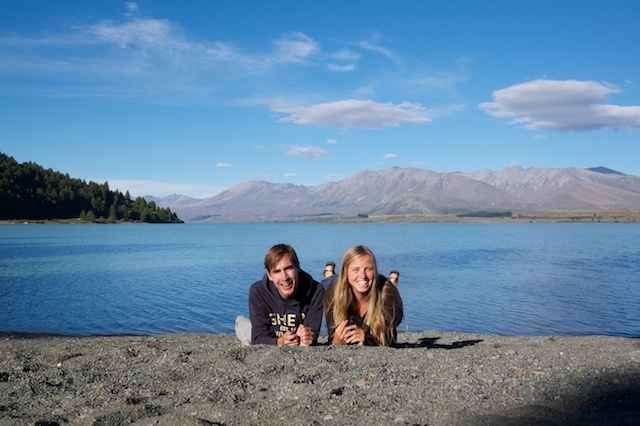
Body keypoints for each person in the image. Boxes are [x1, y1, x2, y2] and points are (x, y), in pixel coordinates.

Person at [323, 245, 403, 346]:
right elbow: (332, 336)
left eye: (368, 269)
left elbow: (388, 339)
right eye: (355, 269)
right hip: (336, 284)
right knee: (326, 283)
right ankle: (328, 273)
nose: (363, 275)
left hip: (381, 287)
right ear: (345, 272)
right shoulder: (333, 295)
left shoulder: (388, 296)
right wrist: (336, 341)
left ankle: (391, 280)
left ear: (375, 271)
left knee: (387, 286)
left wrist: (367, 339)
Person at [247, 244, 325, 346]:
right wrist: (281, 341)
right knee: (246, 333)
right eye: (277, 271)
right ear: (269, 275)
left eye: (288, 268)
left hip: (290, 340)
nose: (284, 277)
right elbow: (258, 338)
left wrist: (305, 338)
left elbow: (312, 336)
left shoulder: (316, 291)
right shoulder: (258, 292)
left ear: (298, 267)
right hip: (269, 338)